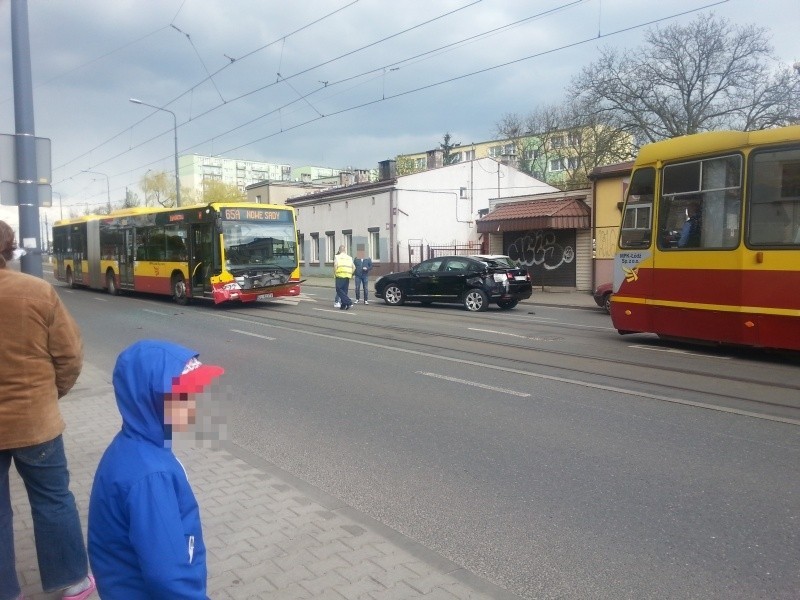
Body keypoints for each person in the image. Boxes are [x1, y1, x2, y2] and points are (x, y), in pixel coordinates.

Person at [0, 221, 96, 600]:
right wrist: (50, 394)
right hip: (35, 423)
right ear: (10, 250)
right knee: (53, 499)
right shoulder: (37, 292)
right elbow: (69, 355)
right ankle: (71, 581)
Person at [88, 340, 223, 599]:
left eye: (192, 396)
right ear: (150, 400)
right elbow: (168, 576)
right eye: (182, 398)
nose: (192, 406)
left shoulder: (133, 446)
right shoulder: (151, 476)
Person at [333, 244, 355, 310]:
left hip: (340, 275)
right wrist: (350, 274)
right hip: (347, 276)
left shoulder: (337, 257)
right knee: (344, 291)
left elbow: (335, 265)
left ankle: (349, 302)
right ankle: (343, 306)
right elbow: (354, 267)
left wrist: (335, 273)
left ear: (339, 251)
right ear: (345, 250)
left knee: (338, 289)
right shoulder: (349, 257)